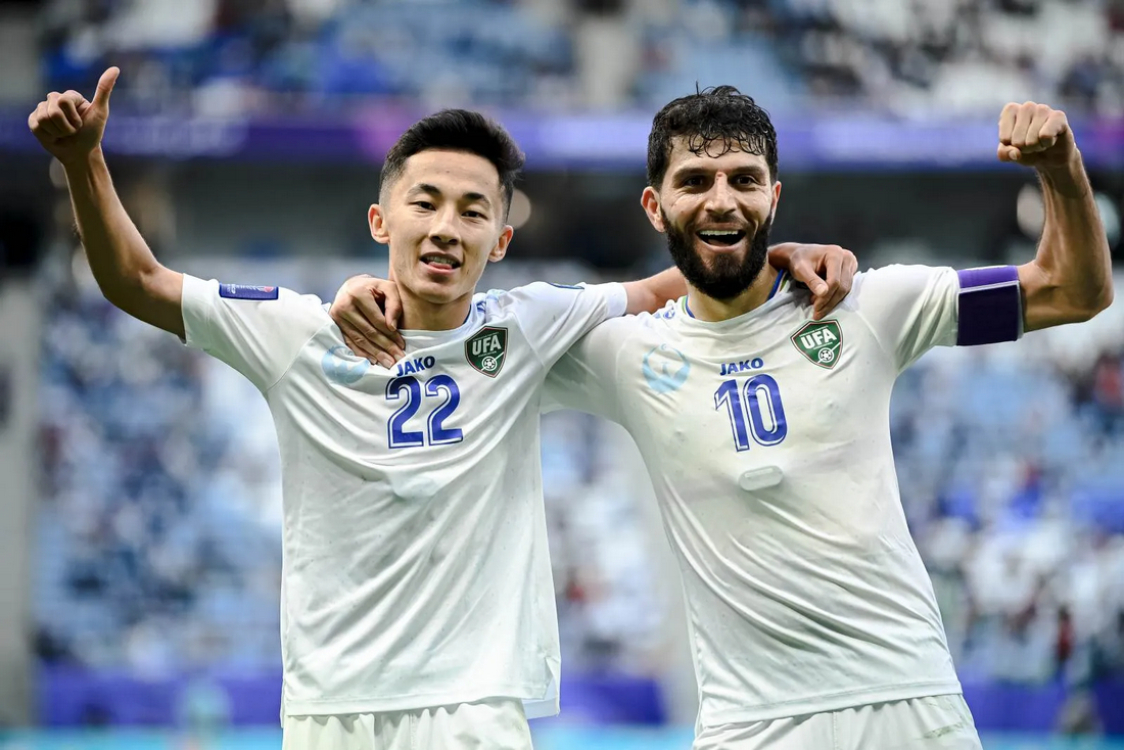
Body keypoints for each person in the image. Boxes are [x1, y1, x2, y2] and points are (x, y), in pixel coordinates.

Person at [27, 70, 858, 749]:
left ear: (501, 239)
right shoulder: (297, 332)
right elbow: (137, 282)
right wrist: (84, 163)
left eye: (473, 211)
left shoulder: (530, 324)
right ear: (380, 219)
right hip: (330, 713)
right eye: (425, 203)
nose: (446, 228)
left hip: (473, 711)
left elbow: (669, 284)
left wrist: (777, 253)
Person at [332, 86, 1113, 749]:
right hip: (748, 726)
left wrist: (1061, 170)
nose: (721, 199)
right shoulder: (618, 351)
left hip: (908, 706)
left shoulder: (869, 305)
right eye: (695, 181)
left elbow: (1073, 291)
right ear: (655, 206)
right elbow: (456, 336)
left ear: (774, 197)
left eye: (744, 179)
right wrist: (369, 293)